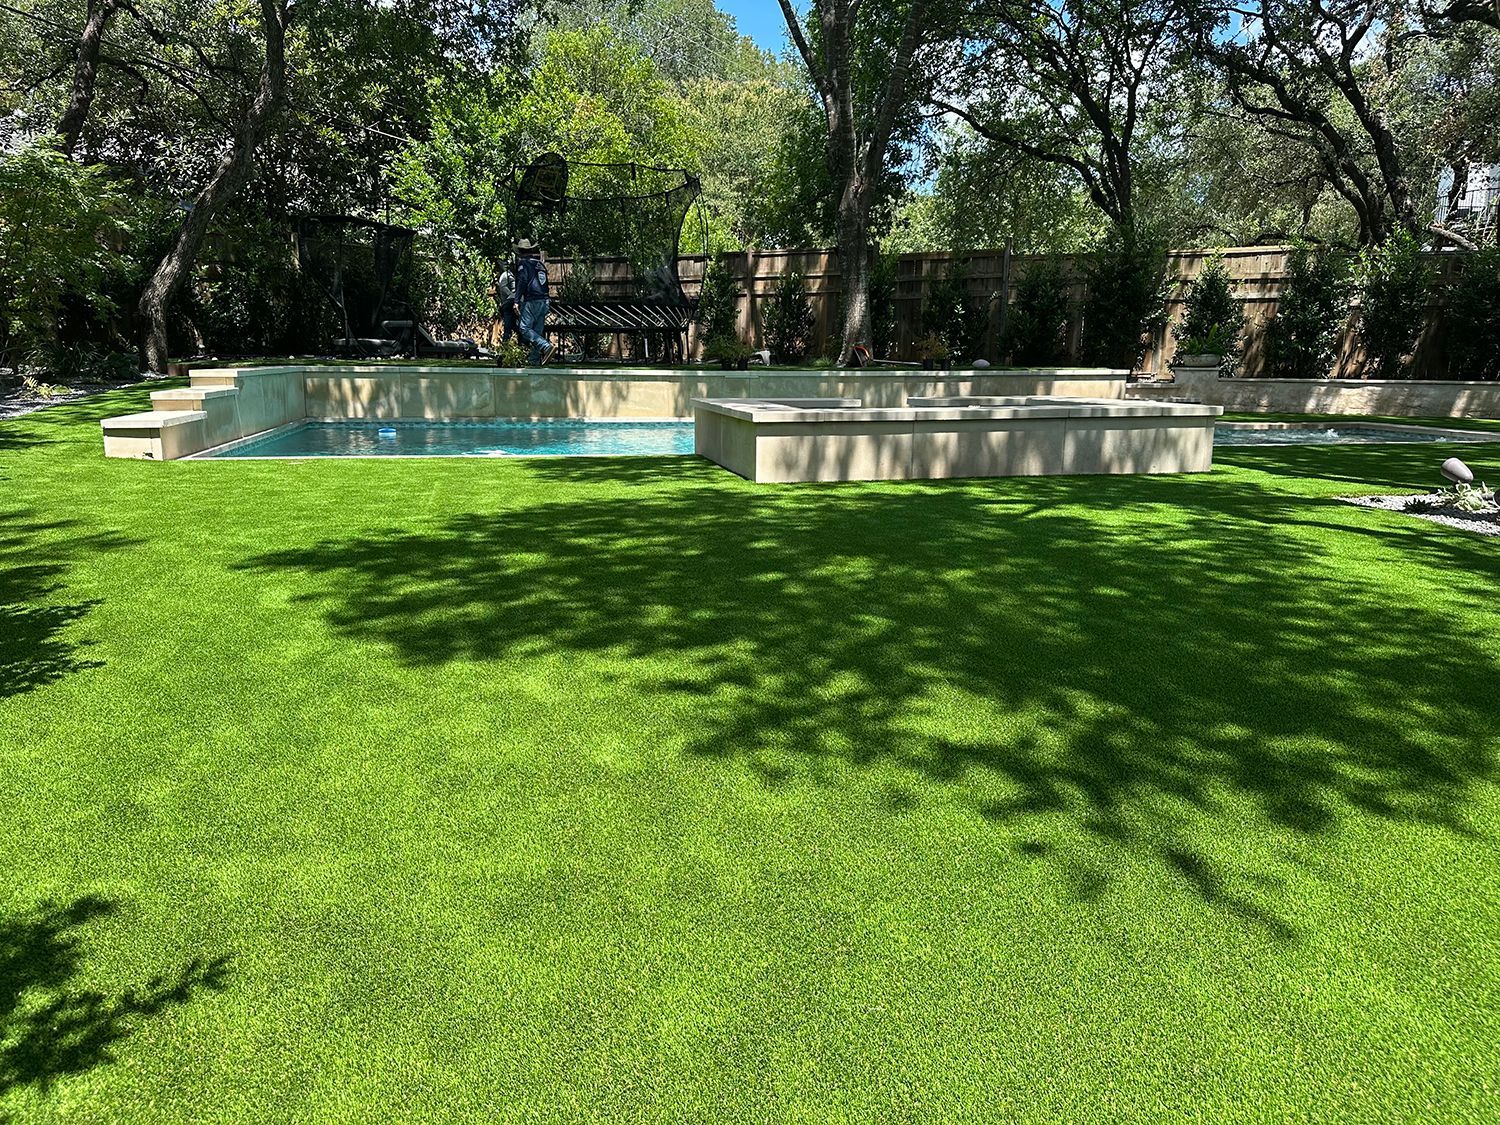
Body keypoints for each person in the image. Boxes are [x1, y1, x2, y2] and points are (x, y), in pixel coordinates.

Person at [513, 238, 554, 365]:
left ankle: (546, 346)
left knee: (524, 328)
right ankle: (534, 360)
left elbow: (523, 282)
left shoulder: (523, 264)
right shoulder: (540, 264)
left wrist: (516, 300)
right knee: (537, 331)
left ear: (519, 251)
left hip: (532, 300)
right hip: (545, 300)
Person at [496, 260, 519, 344]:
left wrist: (511, 296)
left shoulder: (508, 275)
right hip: (511, 301)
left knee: (510, 326)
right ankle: (508, 346)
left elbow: (502, 286)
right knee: (511, 325)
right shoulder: (507, 275)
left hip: (511, 302)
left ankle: (508, 345)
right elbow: (503, 286)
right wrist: (512, 295)